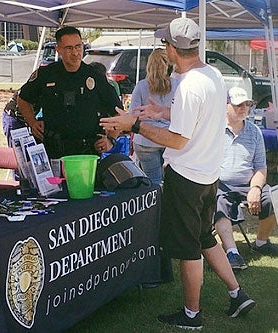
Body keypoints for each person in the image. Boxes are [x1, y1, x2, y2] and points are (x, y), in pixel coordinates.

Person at [99, 18, 255, 330]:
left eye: (165, 45)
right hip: (208, 175)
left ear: (172, 49)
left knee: (188, 250)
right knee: (204, 238)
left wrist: (136, 125)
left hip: (187, 177)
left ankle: (191, 315)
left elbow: (178, 139)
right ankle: (238, 294)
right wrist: (161, 112)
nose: (164, 50)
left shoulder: (188, 86)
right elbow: (200, 115)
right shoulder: (211, 74)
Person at [17, 26, 122, 159]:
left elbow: (118, 111)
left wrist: (110, 140)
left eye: (78, 46)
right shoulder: (47, 74)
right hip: (52, 151)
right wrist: (32, 122)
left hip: (86, 152)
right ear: (58, 49)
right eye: (69, 48)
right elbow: (23, 99)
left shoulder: (95, 76)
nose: (75, 52)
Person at [214, 86, 278, 271]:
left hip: (248, 184)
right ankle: (232, 252)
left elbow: (260, 167)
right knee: (219, 201)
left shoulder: (255, 132)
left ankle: (261, 242)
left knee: (274, 195)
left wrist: (256, 189)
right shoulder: (214, 130)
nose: (244, 108)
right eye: (238, 105)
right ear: (226, 105)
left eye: (247, 104)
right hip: (220, 184)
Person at [129, 48, 178, 185]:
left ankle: (155, 205)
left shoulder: (141, 86)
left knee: (153, 181)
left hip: (145, 138)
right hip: (170, 138)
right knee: (171, 181)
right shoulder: (178, 85)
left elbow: (133, 114)